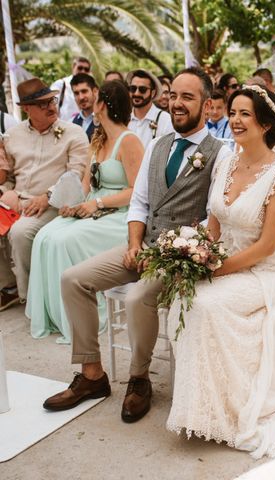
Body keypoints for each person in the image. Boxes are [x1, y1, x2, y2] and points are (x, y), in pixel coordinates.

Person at [42, 68, 231, 422]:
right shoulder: (158, 145)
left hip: (179, 256)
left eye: (187, 97)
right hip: (142, 245)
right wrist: (133, 244)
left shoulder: (219, 154)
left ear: (207, 106)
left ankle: (139, 378)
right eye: (173, 95)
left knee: (136, 296)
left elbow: (213, 219)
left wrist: (171, 249)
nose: (177, 103)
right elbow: (139, 203)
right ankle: (92, 375)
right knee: (72, 279)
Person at [165, 84, 275, 458]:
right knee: (186, 297)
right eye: (232, 112)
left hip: (268, 271)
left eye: (245, 114)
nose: (235, 120)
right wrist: (197, 253)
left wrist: (215, 270)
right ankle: (201, 406)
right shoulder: (226, 161)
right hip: (225, 261)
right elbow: (214, 222)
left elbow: (267, 246)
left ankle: (232, 409)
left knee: (206, 305)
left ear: (265, 124)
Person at [27, 81, 144, 344]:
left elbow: (137, 191)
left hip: (119, 215)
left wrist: (98, 204)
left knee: (63, 241)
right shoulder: (97, 139)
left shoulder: (129, 141)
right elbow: (85, 184)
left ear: (103, 104)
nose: (91, 100)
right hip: (92, 209)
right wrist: (74, 204)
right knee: (45, 235)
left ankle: (79, 318)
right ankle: (52, 316)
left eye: (97, 98)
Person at [0, 78, 88, 309]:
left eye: (52, 100)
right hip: (17, 200)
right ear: (25, 108)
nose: (51, 106)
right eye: (42, 104)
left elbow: (76, 174)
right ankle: (8, 287)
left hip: (54, 204)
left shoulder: (73, 133)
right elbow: (8, 177)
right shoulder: (12, 135)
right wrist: (7, 193)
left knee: (20, 232)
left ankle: (33, 299)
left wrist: (46, 197)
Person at [126, 69, 174, 148]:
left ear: (153, 93)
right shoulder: (123, 118)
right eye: (133, 88)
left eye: (142, 90)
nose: (136, 93)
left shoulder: (165, 120)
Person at [51, 56, 92, 121]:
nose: (83, 71)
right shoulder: (61, 84)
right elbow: (51, 107)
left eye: (86, 69)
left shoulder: (91, 88)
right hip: (62, 128)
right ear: (73, 67)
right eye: (80, 68)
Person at [70, 73, 99, 140]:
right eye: (76, 93)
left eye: (84, 91)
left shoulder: (106, 121)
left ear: (95, 91)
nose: (81, 97)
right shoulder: (71, 122)